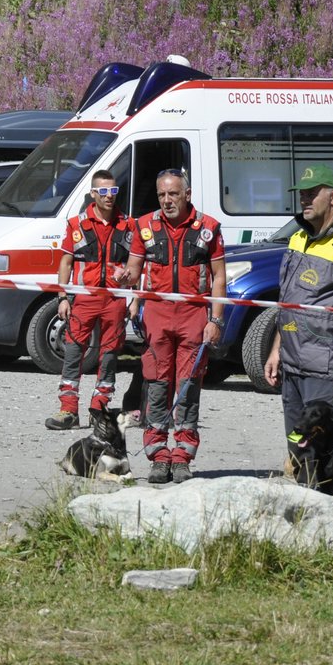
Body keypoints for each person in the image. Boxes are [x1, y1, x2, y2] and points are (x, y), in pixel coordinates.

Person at [264, 165, 333, 483]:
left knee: (327, 451)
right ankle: (305, 512)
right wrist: (276, 349)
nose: (305, 200)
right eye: (302, 194)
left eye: (312, 193)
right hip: (293, 364)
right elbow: (288, 305)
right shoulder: (298, 238)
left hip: (326, 369)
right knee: (297, 445)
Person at [120, 170, 226, 483]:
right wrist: (126, 280)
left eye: (174, 194)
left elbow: (219, 277)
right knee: (156, 384)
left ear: (187, 194)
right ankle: (157, 455)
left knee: (189, 387)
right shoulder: (144, 226)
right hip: (157, 314)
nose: (167, 201)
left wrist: (216, 320)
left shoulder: (208, 228)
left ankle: (182, 457)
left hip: (194, 315)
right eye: (162, 195)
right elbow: (133, 269)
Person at [47, 170, 134, 430]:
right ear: (94, 194)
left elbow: (137, 264)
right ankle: (68, 410)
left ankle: (99, 410)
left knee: (109, 355)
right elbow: (65, 262)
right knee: (73, 351)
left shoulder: (128, 224)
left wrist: (134, 297)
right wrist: (63, 296)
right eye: (104, 192)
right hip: (84, 298)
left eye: (114, 192)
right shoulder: (77, 224)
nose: (110, 197)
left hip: (115, 299)